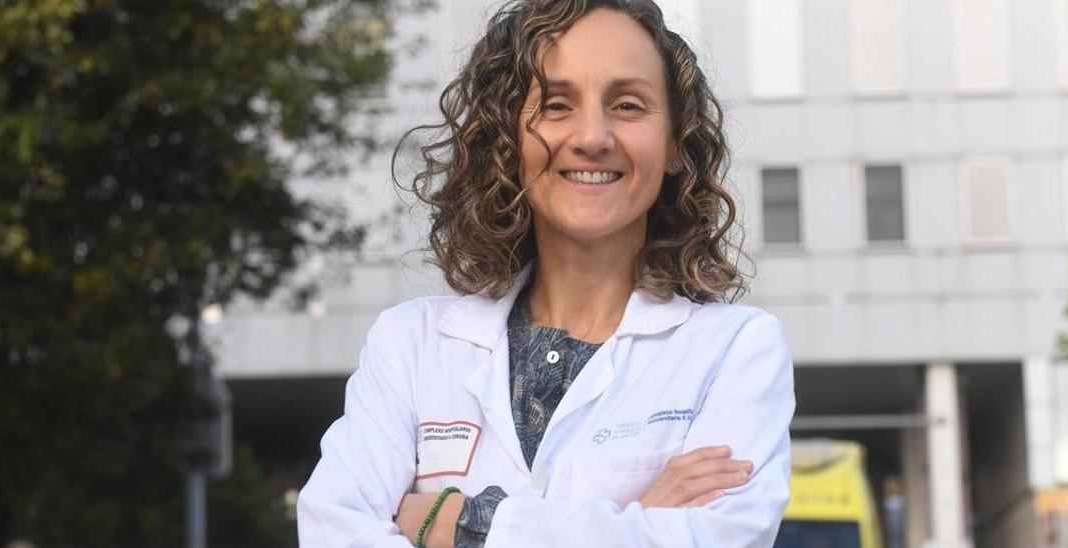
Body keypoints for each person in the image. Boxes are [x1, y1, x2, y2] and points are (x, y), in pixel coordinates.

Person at [296, 0, 795, 546]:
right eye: (556, 106)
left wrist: (462, 523)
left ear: (676, 144)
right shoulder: (410, 345)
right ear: (509, 140)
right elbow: (333, 531)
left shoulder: (736, 351)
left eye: (628, 105)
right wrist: (640, 522)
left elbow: (719, 539)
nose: (593, 136)